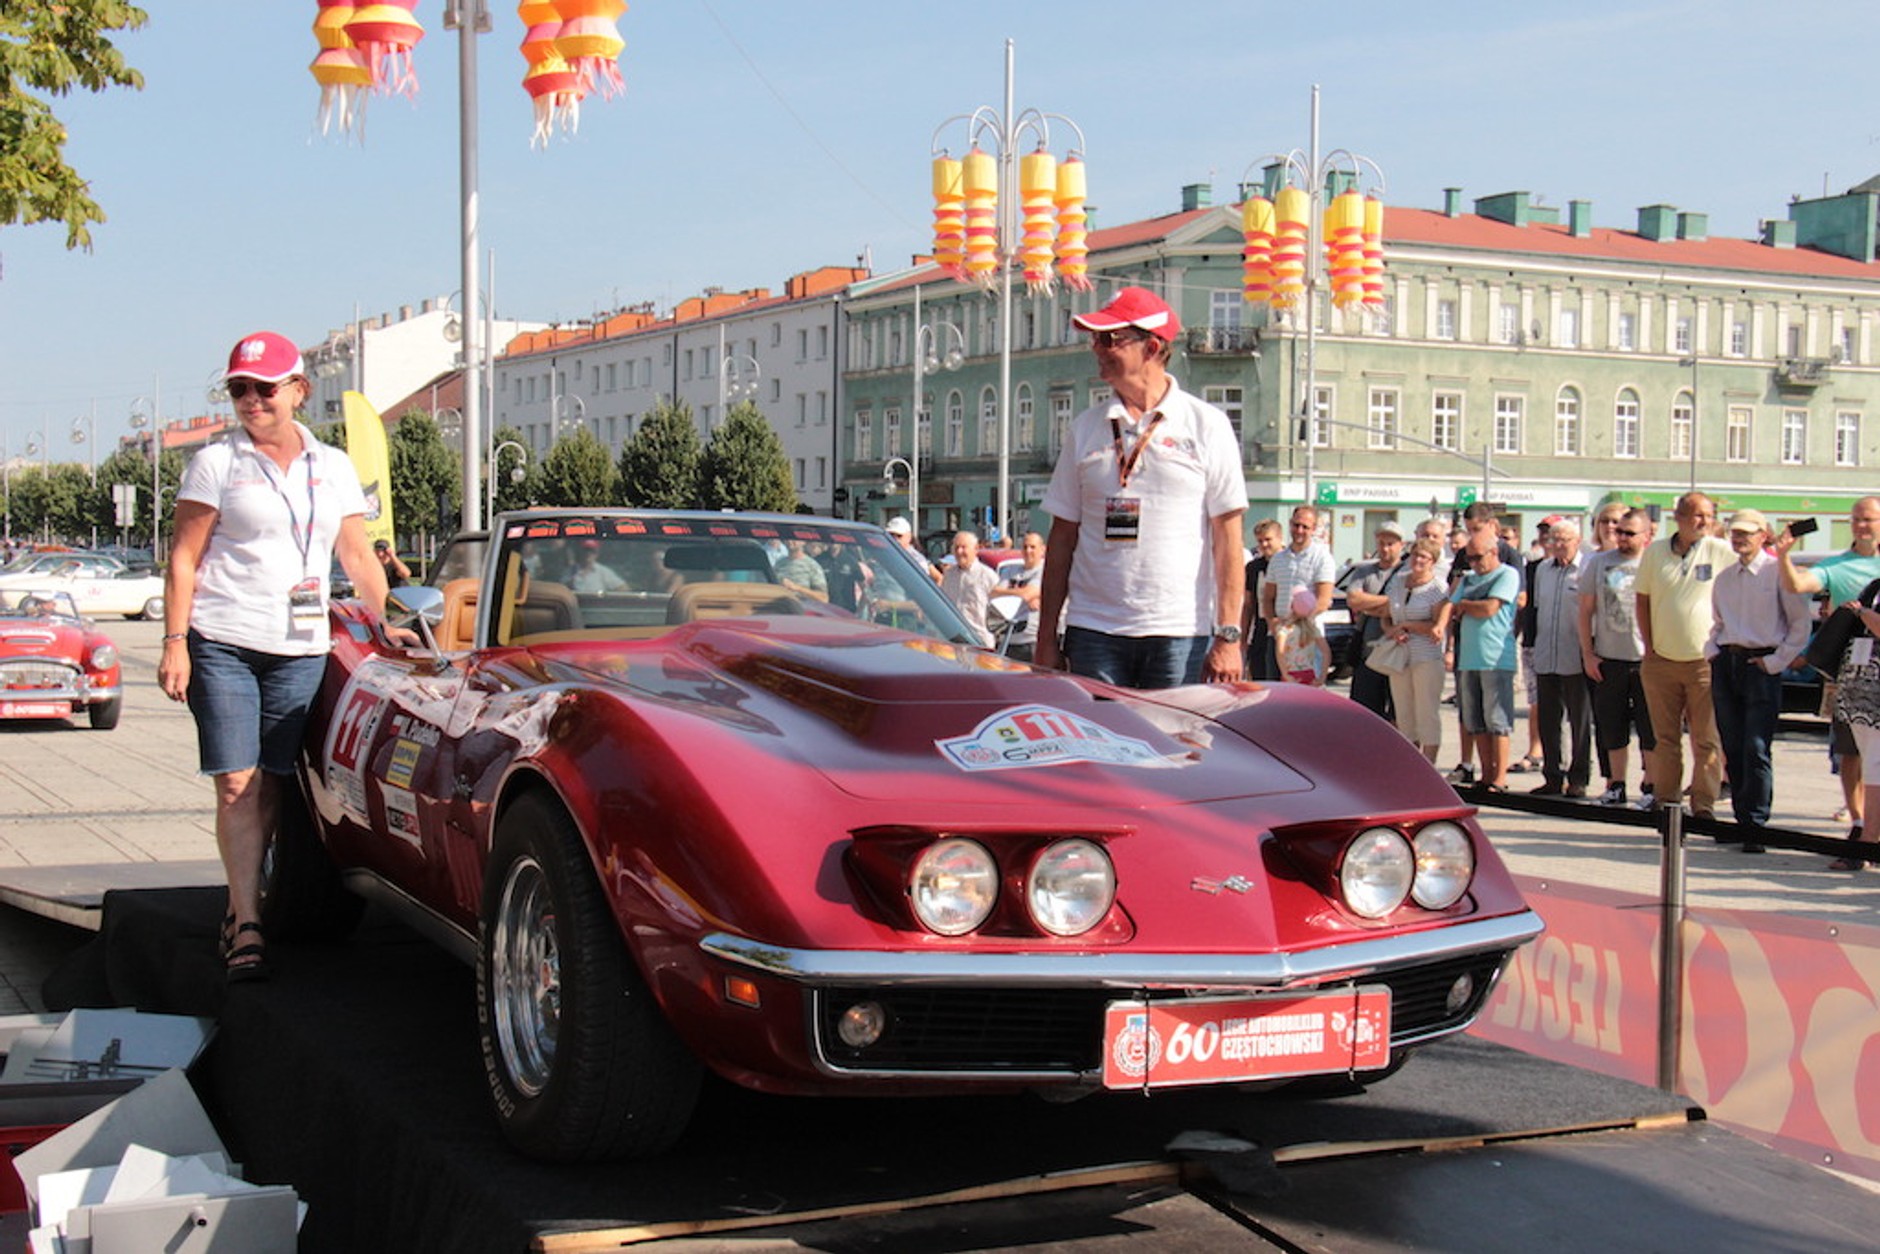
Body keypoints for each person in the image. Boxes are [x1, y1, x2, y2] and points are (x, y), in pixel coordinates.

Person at [158, 331, 410, 983]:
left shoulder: (331, 467)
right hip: (223, 641)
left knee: (271, 783)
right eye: (239, 388)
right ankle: (247, 923)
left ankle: (242, 901)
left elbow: (356, 556)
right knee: (237, 782)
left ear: (298, 390)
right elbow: (184, 558)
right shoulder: (215, 464)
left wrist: (392, 623)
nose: (251, 400)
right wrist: (175, 642)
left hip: (300, 648)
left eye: (263, 388)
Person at [1034, 286, 1247, 687]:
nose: (1096, 348)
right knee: (1099, 744)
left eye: (1109, 339)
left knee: (1176, 747)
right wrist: (1047, 637)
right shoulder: (1085, 428)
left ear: (1151, 347)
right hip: (1094, 630)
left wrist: (1229, 636)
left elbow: (1228, 540)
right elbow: (1062, 539)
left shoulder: (1206, 425)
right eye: (1095, 338)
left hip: (1179, 630)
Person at [1778, 496, 1880, 868]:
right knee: (1849, 753)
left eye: (1868, 519)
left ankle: (1871, 830)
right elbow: (1798, 584)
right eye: (1856, 519)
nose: (1860, 526)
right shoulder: (1838, 565)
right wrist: (1785, 555)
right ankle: (1858, 823)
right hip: (1849, 674)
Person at [1708, 509, 1811, 852]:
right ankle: (1742, 819)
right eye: (1735, 533)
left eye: (1748, 533)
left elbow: (1800, 625)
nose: (1740, 539)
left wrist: (1774, 662)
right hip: (1729, 661)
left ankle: (1756, 822)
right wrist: (1713, 652)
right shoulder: (1725, 578)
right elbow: (1718, 622)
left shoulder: (1776, 573)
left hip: (1760, 664)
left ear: (1764, 534)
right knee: (1733, 745)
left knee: (1756, 746)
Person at [1634, 491, 1733, 820]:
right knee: (1665, 738)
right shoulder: (1655, 553)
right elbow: (1643, 601)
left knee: (1706, 738)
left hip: (1703, 662)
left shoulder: (1718, 550)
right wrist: (1649, 648)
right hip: (1661, 660)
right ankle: (1667, 801)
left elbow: (1743, 579)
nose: (1704, 521)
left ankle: (1703, 804)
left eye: (1708, 515)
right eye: (1697, 515)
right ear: (1678, 517)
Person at [1579, 507, 1657, 807]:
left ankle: (1651, 785)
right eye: (1619, 531)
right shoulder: (1599, 563)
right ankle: (1616, 784)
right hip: (1609, 657)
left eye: (1629, 533)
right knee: (1612, 726)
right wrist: (1588, 653)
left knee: (1650, 729)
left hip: (1646, 659)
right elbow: (1585, 611)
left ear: (1647, 535)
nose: (1620, 537)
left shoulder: (1653, 564)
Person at [1450, 526, 1521, 791]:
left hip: (1496, 658)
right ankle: (1486, 775)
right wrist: (1466, 606)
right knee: (1476, 721)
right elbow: (1452, 604)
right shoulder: (1468, 579)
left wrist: (1467, 606)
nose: (1474, 563)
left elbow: (1490, 608)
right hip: (1468, 658)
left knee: (1498, 722)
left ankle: (1500, 778)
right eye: (1470, 558)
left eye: (1478, 557)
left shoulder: (1508, 574)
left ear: (1494, 552)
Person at [1527, 520, 1594, 798]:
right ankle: (1552, 775)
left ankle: (1578, 777)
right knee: (1548, 718)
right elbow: (1538, 608)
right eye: (1554, 539)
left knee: (1579, 719)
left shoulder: (1586, 570)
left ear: (1577, 540)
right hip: (1547, 652)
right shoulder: (1543, 569)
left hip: (1574, 653)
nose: (1558, 544)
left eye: (1565, 539)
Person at [1381, 536, 1453, 763]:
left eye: (1424, 556)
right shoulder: (1399, 581)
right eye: (1415, 555)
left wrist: (1408, 626)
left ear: (1433, 561)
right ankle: (1410, 763)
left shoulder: (1438, 588)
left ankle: (1429, 764)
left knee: (1426, 713)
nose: (1418, 560)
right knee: (1404, 714)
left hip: (1426, 657)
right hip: (1400, 656)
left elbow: (1436, 627)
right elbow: (1386, 616)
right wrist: (1393, 629)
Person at [1342, 520, 1407, 720]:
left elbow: (1405, 604)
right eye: (1381, 543)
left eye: (1390, 543)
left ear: (1401, 545)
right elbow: (1353, 599)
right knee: (1365, 715)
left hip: (1399, 656)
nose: (1385, 548)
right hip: (1367, 654)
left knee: (1398, 716)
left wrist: (1370, 606)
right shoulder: (1364, 571)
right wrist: (1389, 604)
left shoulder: (1407, 573)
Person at [1262, 505, 1334, 672]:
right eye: (1296, 525)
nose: (1299, 530)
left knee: (1305, 692)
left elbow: (1323, 600)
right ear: (1290, 524)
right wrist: (1272, 623)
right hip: (1279, 634)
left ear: (1314, 529)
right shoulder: (1277, 559)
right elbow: (1268, 597)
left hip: (1307, 635)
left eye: (1305, 527)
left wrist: (1297, 621)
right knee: (1275, 692)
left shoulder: (1322, 557)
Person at [1240, 518, 1283, 680]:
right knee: (1259, 679)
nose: (1264, 545)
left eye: (1268, 540)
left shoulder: (1288, 563)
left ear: (1279, 538)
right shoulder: (1253, 567)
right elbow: (1248, 605)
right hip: (1260, 631)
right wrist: (1243, 638)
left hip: (1283, 630)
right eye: (1260, 541)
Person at [992, 531, 1046, 661]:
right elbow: (993, 593)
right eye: (1025, 547)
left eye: (1033, 547)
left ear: (1042, 549)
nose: (1028, 551)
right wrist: (1022, 594)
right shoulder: (1011, 569)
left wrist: (1008, 593)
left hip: (1031, 641)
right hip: (1007, 639)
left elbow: (1027, 594)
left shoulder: (1044, 571)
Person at [940, 530, 999, 649]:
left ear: (976, 549)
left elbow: (999, 610)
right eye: (956, 548)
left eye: (963, 547)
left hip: (979, 640)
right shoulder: (949, 575)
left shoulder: (987, 575)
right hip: (952, 639)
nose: (959, 552)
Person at [1275, 586, 1331, 686]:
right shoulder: (1313, 630)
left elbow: (1280, 652)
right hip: (1309, 674)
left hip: (1291, 674)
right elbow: (1326, 652)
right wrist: (1322, 677)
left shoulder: (1285, 629)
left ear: (1292, 606)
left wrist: (1285, 674)